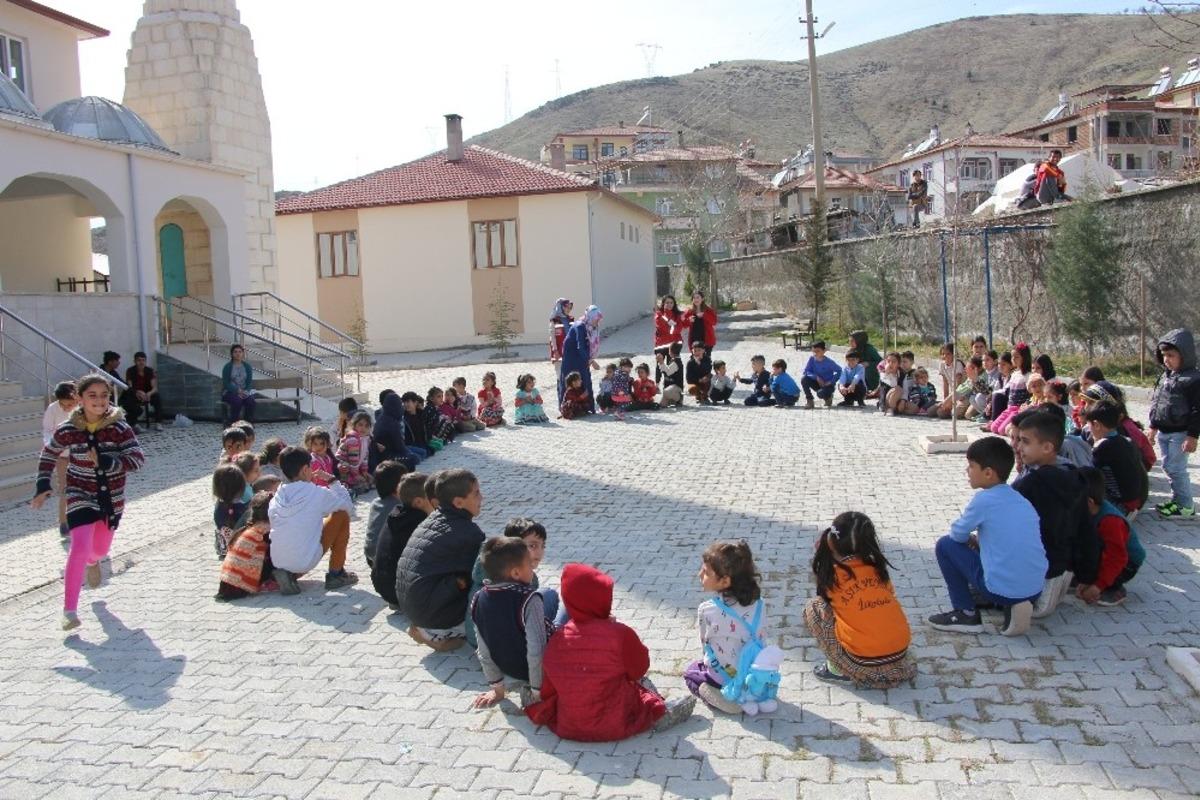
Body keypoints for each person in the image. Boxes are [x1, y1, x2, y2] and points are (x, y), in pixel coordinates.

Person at [525, 563, 696, 740]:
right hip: (617, 722)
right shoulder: (620, 634)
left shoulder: (557, 639)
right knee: (642, 682)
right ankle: (661, 710)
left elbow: (550, 688)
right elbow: (639, 669)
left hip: (569, 725)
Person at [32, 374, 145, 631]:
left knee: (99, 551)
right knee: (79, 546)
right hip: (79, 493)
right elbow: (48, 453)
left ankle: (94, 562)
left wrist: (108, 462)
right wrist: (42, 484)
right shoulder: (68, 429)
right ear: (79, 399)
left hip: (110, 500)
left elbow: (137, 459)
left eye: (104, 395)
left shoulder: (119, 428)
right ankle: (69, 611)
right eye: (92, 395)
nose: (99, 401)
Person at [928, 437, 1047, 637]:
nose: (967, 471)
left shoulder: (983, 500)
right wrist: (979, 542)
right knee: (998, 555)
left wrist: (970, 539)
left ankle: (966, 613)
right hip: (1035, 588)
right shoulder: (1021, 500)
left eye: (971, 466)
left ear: (988, 473)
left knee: (945, 545)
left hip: (1001, 588)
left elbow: (957, 534)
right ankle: (1014, 603)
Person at [806, 512, 916, 688]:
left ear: (832, 541)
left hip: (863, 664)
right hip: (898, 656)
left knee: (814, 607)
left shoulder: (832, 575)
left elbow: (827, 600)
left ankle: (838, 670)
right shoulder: (878, 569)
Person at [1013, 412, 1098, 619]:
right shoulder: (1075, 475)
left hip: (1037, 568)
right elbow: (1085, 530)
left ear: (1047, 447)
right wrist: (1087, 576)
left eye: (1025, 441)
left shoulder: (1031, 483)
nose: (1018, 446)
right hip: (1063, 567)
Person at [396, 469, 486, 651]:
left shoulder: (430, 519)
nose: (481, 497)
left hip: (411, 607)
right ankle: (437, 635)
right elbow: (481, 576)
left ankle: (427, 629)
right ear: (458, 502)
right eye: (476, 493)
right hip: (431, 614)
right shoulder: (468, 533)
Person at [469, 536, 560, 709]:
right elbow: (536, 651)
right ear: (516, 573)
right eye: (529, 565)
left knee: (548, 593)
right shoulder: (529, 599)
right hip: (534, 669)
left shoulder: (478, 598)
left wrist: (497, 690)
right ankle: (530, 687)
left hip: (508, 667)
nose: (533, 569)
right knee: (569, 610)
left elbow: (483, 651)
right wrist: (537, 691)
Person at [683, 540, 770, 714]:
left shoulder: (706, 609)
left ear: (724, 581)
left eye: (706, 572)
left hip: (726, 676)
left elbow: (706, 646)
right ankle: (752, 694)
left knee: (691, 672)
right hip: (756, 675)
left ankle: (723, 698)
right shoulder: (760, 604)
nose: (700, 574)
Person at [267, 446, 357, 595]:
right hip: (305, 560)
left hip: (278, 560)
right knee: (341, 515)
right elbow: (349, 508)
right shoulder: (316, 493)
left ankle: (290, 573)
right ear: (304, 470)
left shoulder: (277, 496)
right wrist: (333, 481)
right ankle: (336, 573)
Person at [465, 517, 560, 649]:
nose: (540, 552)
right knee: (551, 596)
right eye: (532, 546)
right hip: (508, 648)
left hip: (479, 643)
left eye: (542, 546)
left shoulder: (491, 567)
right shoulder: (512, 577)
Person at [1148, 329, 1200, 518]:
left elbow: (1197, 411)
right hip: (1164, 431)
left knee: (1177, 469)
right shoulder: (1166, 376)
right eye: (1164, 355)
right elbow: (1158, 403)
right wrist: (1153, 427)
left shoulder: (1193, 380)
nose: (1166, 360)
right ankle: (1177, 501)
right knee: (1168, 467)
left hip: (1180, 433)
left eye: (1171, 355)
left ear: (1184, 356)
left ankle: (1186, 506)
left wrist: (1192, 436)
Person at [1076, 467, 1144, 607]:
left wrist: (1097, 586)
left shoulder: (1110, 521)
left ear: (1089, 502)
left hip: (1127, 563)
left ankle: (1114, 588)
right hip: (1107, 552)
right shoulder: (1089, 511)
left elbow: (1117, 557)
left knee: (1107, 574)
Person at [371, 472, 432, 606]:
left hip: (383, 588)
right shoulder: (421, 523)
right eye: (432, 497)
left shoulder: (396, 514)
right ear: (418, 502)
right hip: (404, 594)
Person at [1086, 403, 1148, 514]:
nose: (1087, 429)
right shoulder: (1125, 440)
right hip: (1138, 499)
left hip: (1121, 504)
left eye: (1088, 424)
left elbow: (1091, 476)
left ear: (1096, 425)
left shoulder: (1102, 448)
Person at [216, 490, 276, 601]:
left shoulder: (251, 527)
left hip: (228, 582)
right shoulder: (266, 530)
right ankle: (269, 581)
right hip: (240, 584)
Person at [43, 381, 78, 537]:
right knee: (64, 487)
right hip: (62, 456)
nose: (66, 408)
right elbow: (47, 431)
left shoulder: (82, 408)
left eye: (69, 404)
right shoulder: (52, 409)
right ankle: (63, 522)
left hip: (80, 454)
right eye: (63, 405)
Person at [363, 460, 411, 569]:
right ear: (398, 485)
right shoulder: (400, 506)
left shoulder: (375, 503)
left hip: (370, 555)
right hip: (386, 560)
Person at [558, 305, 602, 409]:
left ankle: (587, 407)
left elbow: (589, 345)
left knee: (584, 380)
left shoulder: (592, 327)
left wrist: (589, 358)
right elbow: (580, 345)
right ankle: (565, 408)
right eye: (596, 319)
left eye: (599, 319)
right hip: (571, 357)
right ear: (590, 317)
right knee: (569, 381)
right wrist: (591, 360)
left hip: (582, 356)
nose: (598, 321)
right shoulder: (580, 326)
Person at [371, 392, 421, 471]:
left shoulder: (382, 417)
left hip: (383, 454)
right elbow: (400, 447)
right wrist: (410, 455)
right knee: (413, 459)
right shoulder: (392, 423)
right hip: (387, 456)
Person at [212, 463, 248, 559]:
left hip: (226, 549)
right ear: (241, 485)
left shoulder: (219, 506)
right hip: (244, 549)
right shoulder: (244, 507)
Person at [120, 351, 162, 432]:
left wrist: (149, 393)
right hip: (134, 392)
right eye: (139, 360)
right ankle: (134, 424)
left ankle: (158, 422)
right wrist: (137, 392)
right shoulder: (130, 371)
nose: (141, 362)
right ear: (135, 361)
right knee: (130, 399)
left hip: (146, 393)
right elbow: (130, 386)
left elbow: (154, 387)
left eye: (143, 360)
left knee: (157, 397)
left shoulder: (149, 371)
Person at [335, 411, 374, 495]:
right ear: (354, 425)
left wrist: (364, 471)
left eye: (366, 426)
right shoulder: (353, 439)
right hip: (342, 466)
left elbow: (364, 458)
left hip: (354, 467)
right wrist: (356, 475)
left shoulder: (366, 439)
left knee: (370, 480)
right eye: (360, 425)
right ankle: (346, 484)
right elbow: (353, 461)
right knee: (361, 485)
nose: (363, 428)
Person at [221, 344, 257, 425]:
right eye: (235, 352)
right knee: (237, 401)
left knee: (251, 401)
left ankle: (247, 423)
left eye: (240, 352)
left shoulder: (247, 366)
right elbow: (226, 383)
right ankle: (234, 423)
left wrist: (245, 391)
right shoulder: (227, 367)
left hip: (244, 392)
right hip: (230, 392)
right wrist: (237, 391)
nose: (238, 354)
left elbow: (249, 382)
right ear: (232, 354)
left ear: (243, 353)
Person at [801, 341, 841, 409]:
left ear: (824, 351)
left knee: (820, 394)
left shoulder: (829, 362)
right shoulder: (812, 359)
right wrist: (816, 377)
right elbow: (806, 371)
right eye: (813, 351)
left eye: (818, 351)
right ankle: (810, 401)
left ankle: (828, 397)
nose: (815, 353)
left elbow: (839, 371)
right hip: (817, 383)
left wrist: (831, 381)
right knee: (804, 379)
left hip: (827, 385)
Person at [681, 291, 717, 358]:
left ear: (702, 299)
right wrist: (688, 320)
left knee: (706, 360)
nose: (696, 300)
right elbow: (683, 323)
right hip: (694, 340)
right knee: (695, 360)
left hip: (707, 339)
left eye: (698, 297)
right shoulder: (689, 311)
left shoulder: (708, 310)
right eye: (694, 298)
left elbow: (714, 322)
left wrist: (705, 315)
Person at [848, 331, 883, 399]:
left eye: (852, 341)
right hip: (858, 375)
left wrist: (869, 364)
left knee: (864, 369)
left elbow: (881, 362)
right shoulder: (852, 350)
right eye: (849, 341)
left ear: (859, 341)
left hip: (872, 374)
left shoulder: (869, 349)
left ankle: (872, 390)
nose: (850, 343)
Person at [657, 343, 685, 407]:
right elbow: (665, 370)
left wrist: (661, 362)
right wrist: (661, 363)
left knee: (666, 392)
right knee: (661, 405)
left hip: (676, 387)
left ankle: (679, 398)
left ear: (671, 351)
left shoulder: (676, 362)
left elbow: (668, 372)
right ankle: (672, 400)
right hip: (670, 387)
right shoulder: (673, 360)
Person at [549, 297, 574, 367]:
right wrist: (555, 351)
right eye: (566, 307)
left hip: (569, 351)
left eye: (570, 308)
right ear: (561, 307)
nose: (569, 309)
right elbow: (552, 337)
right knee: (559, 371)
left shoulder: (570, 319)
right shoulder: (554, 320)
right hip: (558, 352)